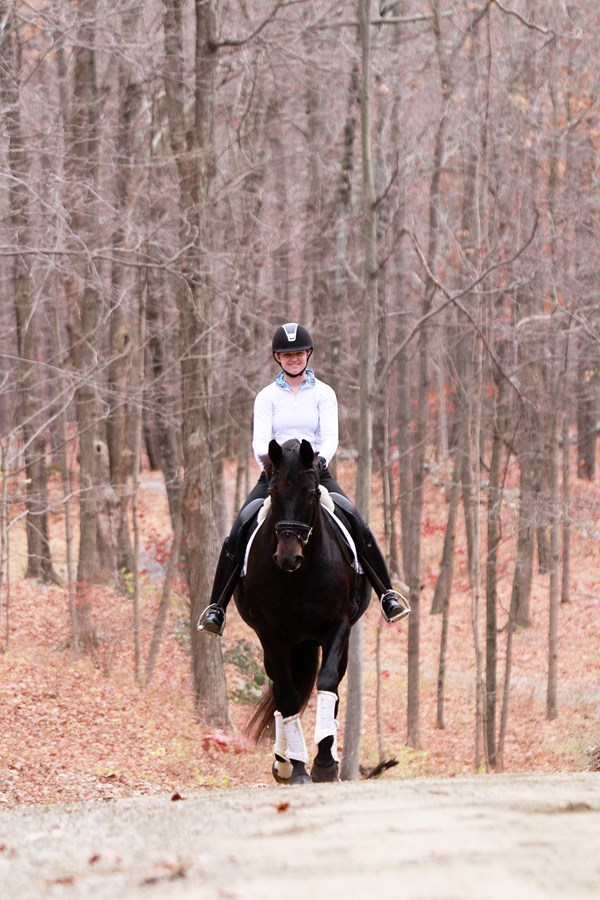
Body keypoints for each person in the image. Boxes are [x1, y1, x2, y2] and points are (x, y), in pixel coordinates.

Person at [197, 322, 411, 636]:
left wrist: (318, 464)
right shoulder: (266, 397)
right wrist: (273, 467)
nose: (293, 359)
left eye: (298, 353)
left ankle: (387, 595)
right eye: (287, 354)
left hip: (315, 473)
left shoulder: (323, 393)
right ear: (277, 358)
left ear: (307, 354)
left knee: (356, 521)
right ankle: (217, 607)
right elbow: (260, 442)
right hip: (276, 473)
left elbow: (331, 437)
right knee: (240, 525)